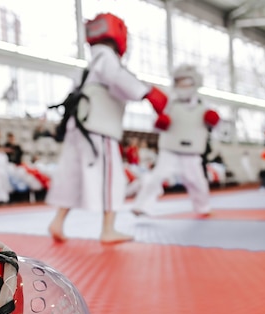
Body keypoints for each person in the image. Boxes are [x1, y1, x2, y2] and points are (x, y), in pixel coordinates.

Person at [46, 12, 170, 244]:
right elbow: (117, 78)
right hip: (98, 130)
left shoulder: (89, 66)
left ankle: (58, 221)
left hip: (80, 128)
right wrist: (147, 93)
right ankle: (108, 229)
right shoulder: (107, 58)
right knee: (111, 179)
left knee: (73, 176)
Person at [132, 64, 220, 217]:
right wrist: (160, 123)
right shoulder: (169, 104)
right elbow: (156, 128)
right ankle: (142, 206)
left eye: (186, 82)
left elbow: (217, 128)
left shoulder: (203, 105)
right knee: (157, 177)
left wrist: (214, 121)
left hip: (192, 151)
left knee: (197, 181)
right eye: (180, 82)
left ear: (194, 83)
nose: (183, 86)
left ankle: (203, 208)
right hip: (170, 149)